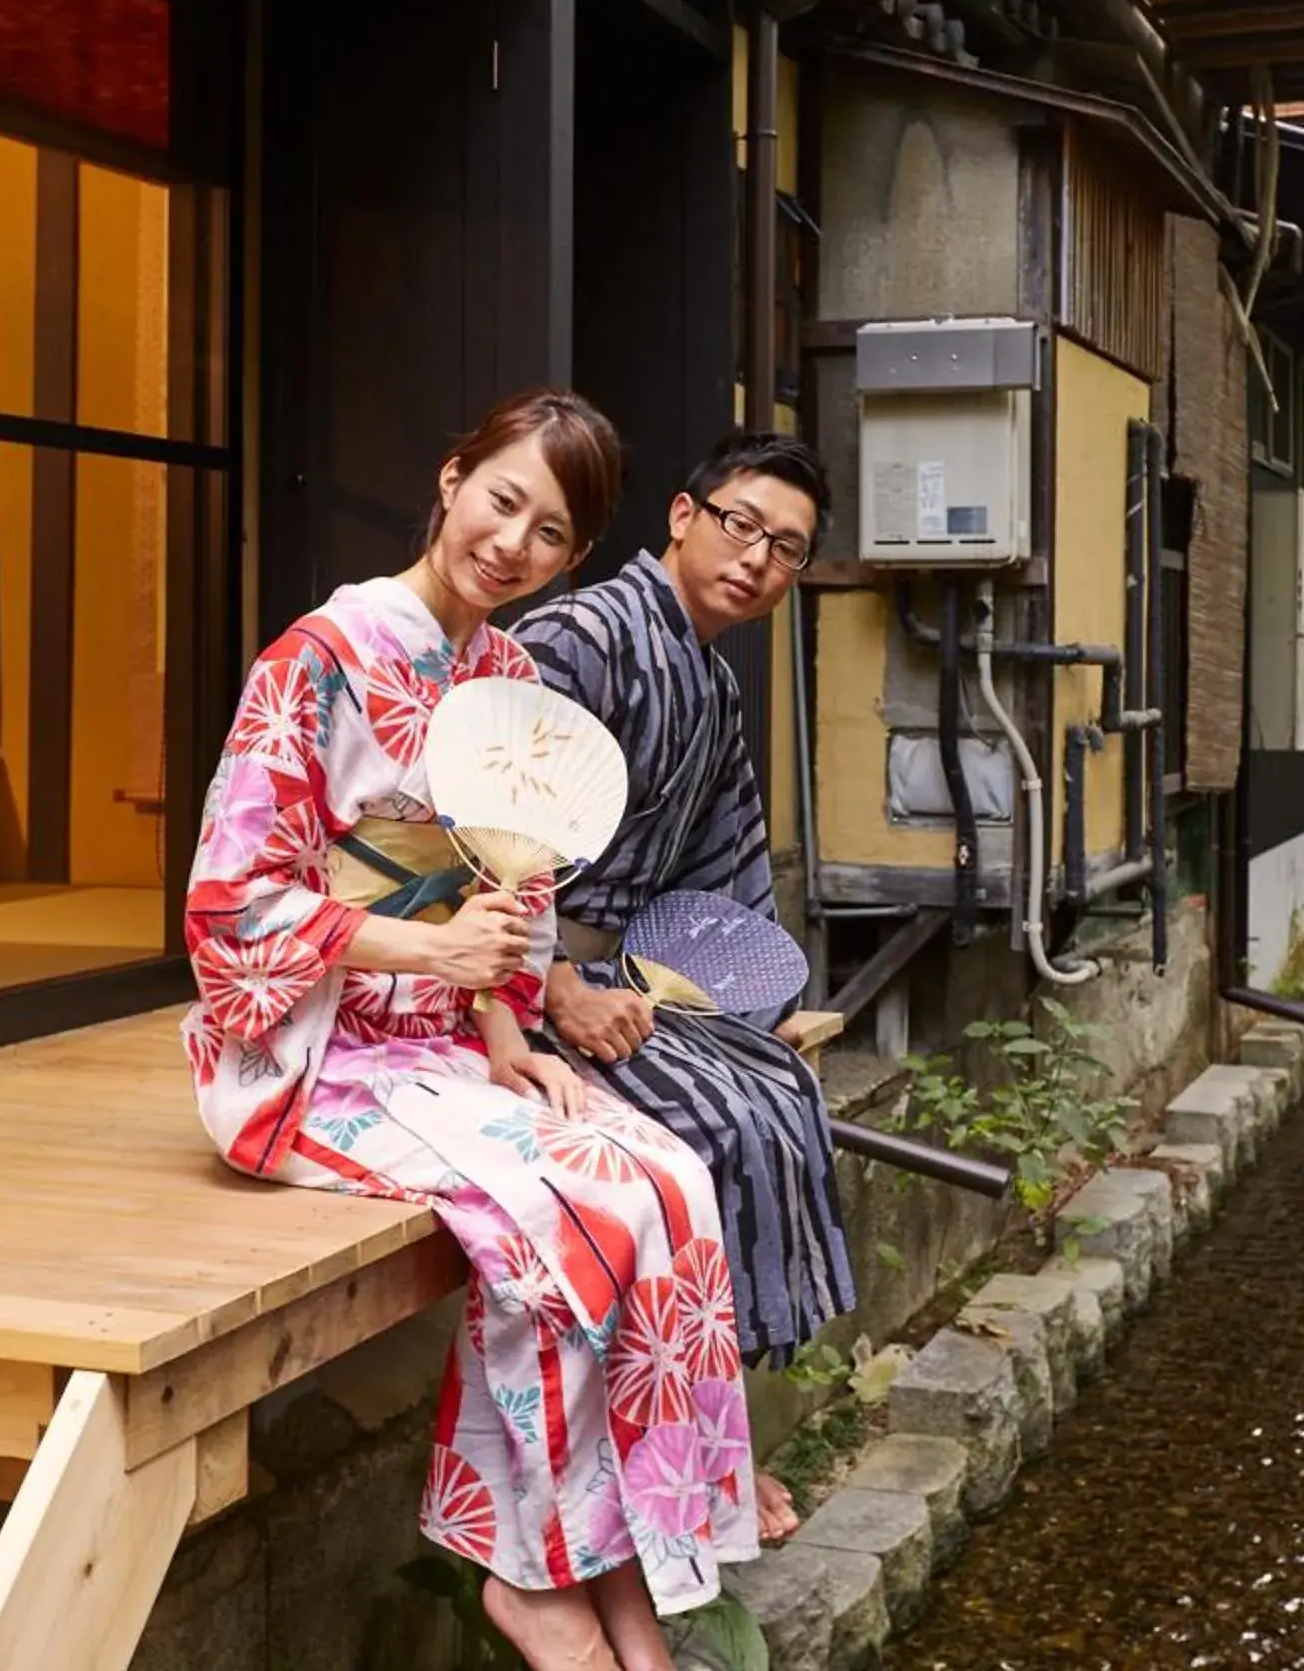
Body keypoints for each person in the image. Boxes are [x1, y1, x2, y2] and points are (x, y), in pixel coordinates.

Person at [182, 390, 754, 1671]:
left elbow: (517, 889)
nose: (512, 544)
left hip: (439, 1051)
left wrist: (504, 1027)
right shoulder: (318, 658)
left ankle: (621, 1567)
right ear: (452, 479)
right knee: (566, 1213)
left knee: (670, 1179)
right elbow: (230, 903)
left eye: (551, 534)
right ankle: (528, 1574)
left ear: (574, 554)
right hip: (311, 1052)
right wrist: (427, 949)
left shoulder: (509, 678)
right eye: (502, 501)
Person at [509, 431, 856, 1543]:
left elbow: (722, 871)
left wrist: (759, 1009)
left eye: (786, 548)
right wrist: (550, 983)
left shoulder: (710, 683)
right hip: (510, 977)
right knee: (709, 1132)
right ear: (682, 514)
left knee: (781, 1095)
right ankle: (691, 1452)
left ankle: (718, 1432)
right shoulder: (576, 639)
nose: (756, 558)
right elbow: (472, 832)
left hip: (619, 977)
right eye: (741, 524)